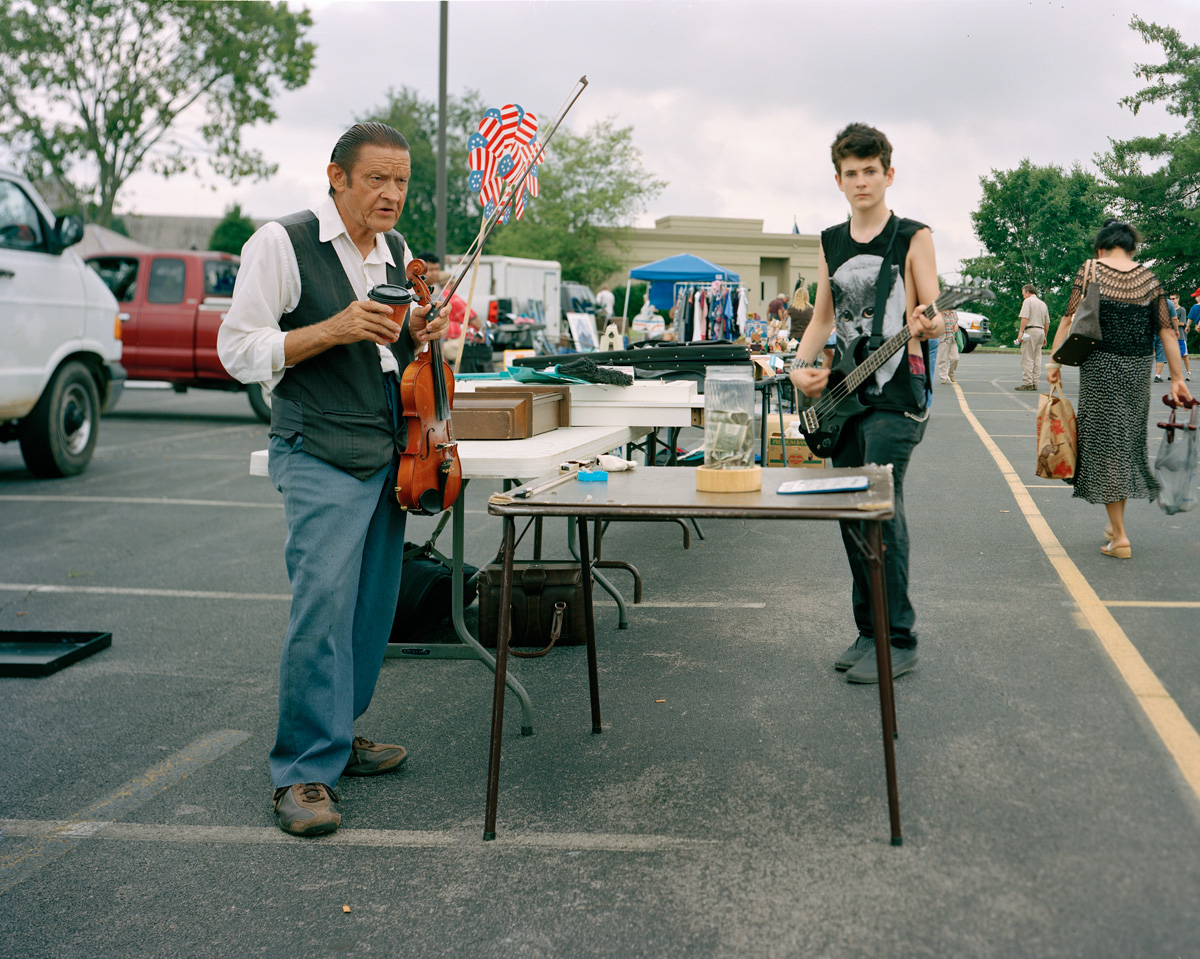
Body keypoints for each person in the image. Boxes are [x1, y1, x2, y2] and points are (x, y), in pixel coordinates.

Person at [217, 122, 450, 837]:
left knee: (371, 608)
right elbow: (238, 349)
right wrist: (333, 328)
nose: (391, 194)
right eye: (376, 178)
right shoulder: (280, 243)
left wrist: (422, 331)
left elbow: (392, 351)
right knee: (322, 601)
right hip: (316, 443)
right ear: (336, 176)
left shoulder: (399, 252)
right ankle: (302, 771)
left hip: (389, 445)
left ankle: (337, 735)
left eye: (402, 182)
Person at [787, 122, 942, 684]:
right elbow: (824, 319)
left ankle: (899, 637)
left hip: (900, 395)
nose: (861, 182)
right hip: (846, 393)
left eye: (870, 171)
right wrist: (799, 370)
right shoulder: (831, 240)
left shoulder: (912, 236)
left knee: (879, 500)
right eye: (850, 174)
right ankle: (869, 629)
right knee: (849, 505)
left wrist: (933, 322)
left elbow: (936, 312)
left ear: (888, 174)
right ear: (838, 180)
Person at [1045, 219, 1192, 559]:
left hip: (1100, 367)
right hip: (1139, 369)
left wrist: (1054, 363)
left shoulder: (1091, 269)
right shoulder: (1149, 278)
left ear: (1101, 247)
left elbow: (1068, 320)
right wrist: (1177, 378)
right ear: (1131, 248)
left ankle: (1121, 536)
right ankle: (1115, 525)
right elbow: (1168, 332)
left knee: (1105, 447)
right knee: (1126, 442)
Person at [1015, 283, 1049, 390]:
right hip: (1041, 331)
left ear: (1028, 292)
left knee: (1028, 357)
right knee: (1037, 358)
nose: (1023, 296)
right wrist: (1045, 336)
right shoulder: (1043, 304)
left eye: (1023, 293)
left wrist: (1020, 333)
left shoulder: (1028, 301)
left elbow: (1024, 318)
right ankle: (1035, 382)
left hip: (1031, 330)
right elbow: (1047, 323)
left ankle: (1027, 382)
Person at [1170, 294, 1191, 380]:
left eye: (1173, 299)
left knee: (1184, 355)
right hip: (1171, 337)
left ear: (1178, 299)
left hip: (1181, 336)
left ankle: (1188, 373)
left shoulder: (1182, 310)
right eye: (1170, 299)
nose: (1172, 300)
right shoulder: (1169, 310)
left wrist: (1173, 322)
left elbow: (1182, 323)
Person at [937, 307, 960, 385]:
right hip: (942, 339)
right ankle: (943, 377)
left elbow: (956, 321)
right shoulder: (939, 313)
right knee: (942, 359)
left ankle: (951, 374)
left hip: (952, 339)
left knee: (955, 358)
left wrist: (956, 324)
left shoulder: (953, 312)